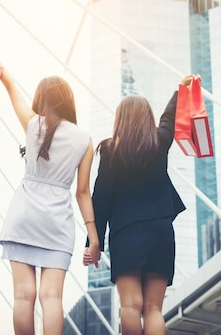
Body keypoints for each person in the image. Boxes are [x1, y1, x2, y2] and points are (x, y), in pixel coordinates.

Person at [0, 32, 101, 335]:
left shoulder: (32, 123)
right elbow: (83, 192)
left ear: (42, 99)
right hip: (56, 222)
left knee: (23, 296)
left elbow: (8, 83)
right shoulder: (84, 139)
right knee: (52, 298)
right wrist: (94, 237)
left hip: (24, 215)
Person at [83, 75, 194, 335]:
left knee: (130, 306)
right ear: (147, 118)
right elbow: (169, 119)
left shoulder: (110, 150)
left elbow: (101, 200)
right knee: (154, 309)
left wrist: (93, 243)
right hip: (161, 231)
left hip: (127, 234)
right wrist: (182, 89)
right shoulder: (160, 141)